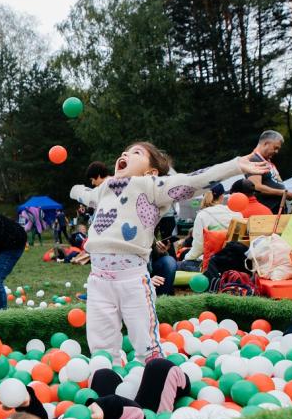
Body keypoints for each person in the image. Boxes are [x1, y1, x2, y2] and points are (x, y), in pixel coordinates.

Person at [71, 142, 267, 364]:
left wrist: (235, 166)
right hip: (98, 280)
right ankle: (106, 378)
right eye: (125, 151)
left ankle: (156, 377)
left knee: (145, 343)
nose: (125, 153)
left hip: (132, 281)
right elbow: (87, 195)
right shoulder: (106, 189)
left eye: (136, 153)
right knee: (100, 344)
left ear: (151, 172)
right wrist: (75, 190)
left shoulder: (151, 186)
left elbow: (192, 181)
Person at [0, 359, 190, 419]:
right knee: (160, 367)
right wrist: (101, 407)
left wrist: (25, 401)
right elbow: (137, 417)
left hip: (110, 406)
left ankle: (130, 383)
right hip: (140, 414)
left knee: (102, 374)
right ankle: (181, 387)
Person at [181, 183, 240, 269]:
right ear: (222, 196)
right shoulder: (237, 214)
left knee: (181, 264)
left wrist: (186, 258)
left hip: (211, 264)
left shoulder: (202, 215)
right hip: (233, 260)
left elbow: (199, 246)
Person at [247, 130, 292, 214]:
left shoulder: (268, 161)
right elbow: (256, 187)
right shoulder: (255, 160)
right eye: (275, 148)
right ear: (266, 143)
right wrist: (282, 193)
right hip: (267, 210)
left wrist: (286, 193)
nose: (276, 152)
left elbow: (278, 182)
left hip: (277, 208)